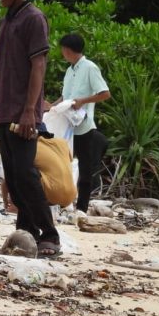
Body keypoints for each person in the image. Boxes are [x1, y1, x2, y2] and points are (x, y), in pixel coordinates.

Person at [0, 0, 60, 256]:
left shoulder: (33, 18)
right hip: (5, 108)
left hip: (24, 112)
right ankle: (26, 232)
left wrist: (31, 109)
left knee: (25, 174)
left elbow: (38, 65)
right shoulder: (6, 21)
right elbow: (2, 64)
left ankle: (49, 233)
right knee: (13, 177)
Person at [59, 33, 111, 213]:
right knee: (63, 162)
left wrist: (83, 101)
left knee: (85, 167)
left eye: (63, 50)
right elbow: (66, 95)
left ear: (68, 50)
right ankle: (63, 201)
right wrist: (52, 105)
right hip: (67, 125)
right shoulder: (69, 70)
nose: (62, 53)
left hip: (84, 125)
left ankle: (82, 207)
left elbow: (104, 93)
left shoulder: (90, 67)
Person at [34, 130, 76, 209]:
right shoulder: (63, 143)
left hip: (52, 195)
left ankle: (20, 208)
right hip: (71, 195)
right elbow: (70, 160)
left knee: (25, 170)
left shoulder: (33, 147)